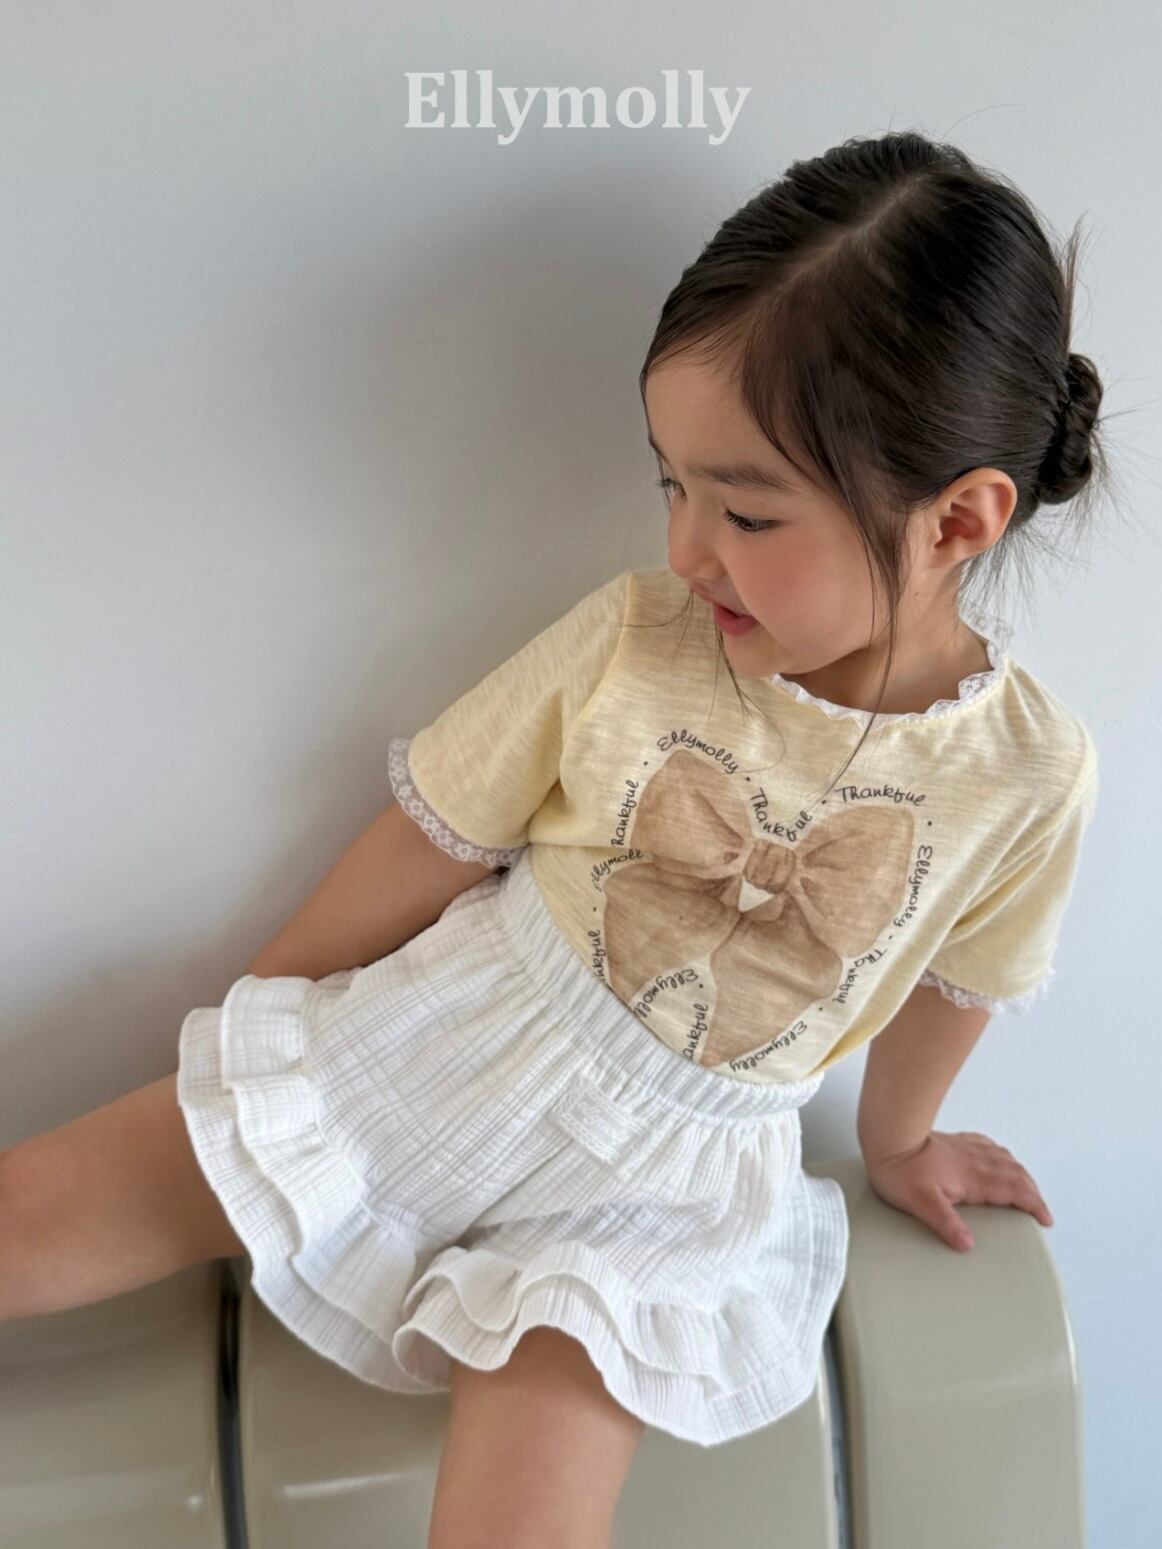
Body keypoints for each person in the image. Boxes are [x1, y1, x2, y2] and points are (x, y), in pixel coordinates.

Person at [2, 129, 1113, 1541]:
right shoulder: (637, 639)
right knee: (28, 1218)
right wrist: (268, 1021)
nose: (687, 550)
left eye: (745, 510)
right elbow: (437, 832)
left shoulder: (1030, 775)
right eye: (671, 487)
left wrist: (900, 1143)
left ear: (957, 519)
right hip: (449, 1041)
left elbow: (960, 981)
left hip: (660, 1202)